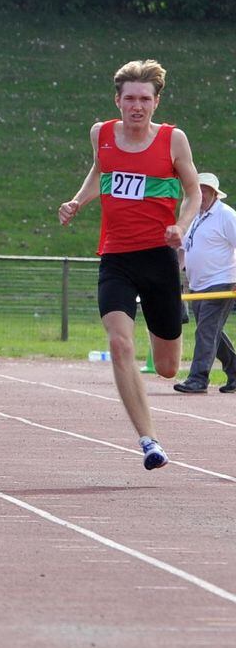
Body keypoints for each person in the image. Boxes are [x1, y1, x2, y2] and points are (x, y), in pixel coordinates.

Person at [59, 59, 200, 469]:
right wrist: (78, 201)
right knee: (120, 344)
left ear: (155, 102)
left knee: (169, 368)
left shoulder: (174, 141)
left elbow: (192, 192)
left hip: (158, 259)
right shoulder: (101, 134)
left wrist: (181, 226)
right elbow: (100, 170)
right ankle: (148, 440)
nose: (136, 106)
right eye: (129, 99)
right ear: (117, 100)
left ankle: (172, 330)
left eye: (144, 99)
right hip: (116, 257)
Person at [173, 172, 236, 394]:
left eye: (204, 191)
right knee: (210, 332)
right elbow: (184, 250)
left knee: (206, 331)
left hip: (221, 283)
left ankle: (198, 378)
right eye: (196, 191)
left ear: (214, 194)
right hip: (198, 285)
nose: (200, 195)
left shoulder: (226, 215)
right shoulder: (195, 217)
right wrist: (174, 274)